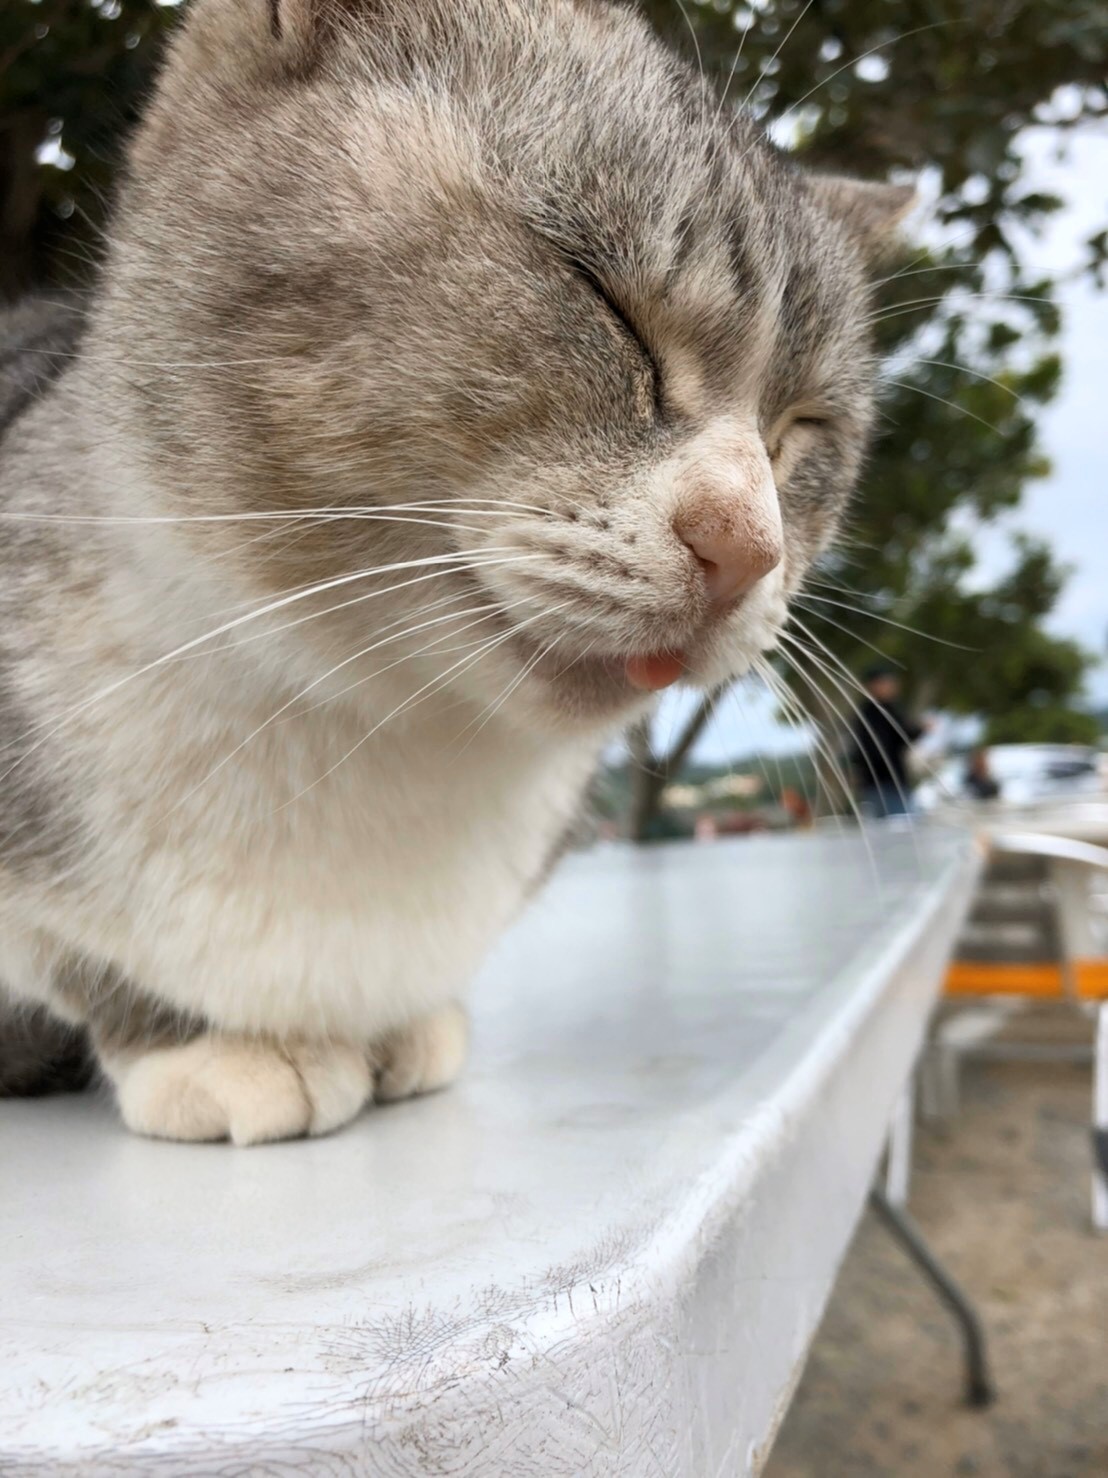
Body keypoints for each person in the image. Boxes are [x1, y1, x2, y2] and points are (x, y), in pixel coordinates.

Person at [849, 662, 924, 818]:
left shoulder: (886, 709)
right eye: (887, 682)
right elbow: (880, 746)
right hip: (884, 784)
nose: (892, 686)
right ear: (874, 685)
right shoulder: (874, 713)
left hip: (889, 782)